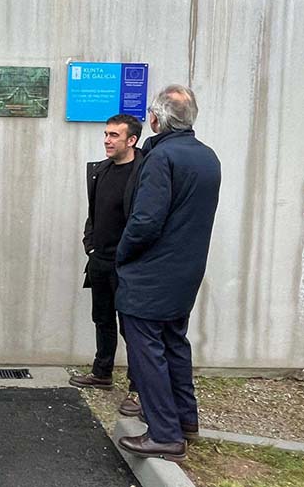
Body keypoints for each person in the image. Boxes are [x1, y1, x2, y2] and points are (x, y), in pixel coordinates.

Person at [116, 85, 221, 462]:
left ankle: (164, 434)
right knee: (175, 343)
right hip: (186, 271)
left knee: (147, 352)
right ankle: (184, 421)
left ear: (157, 120)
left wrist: (123, 257)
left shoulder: (161, 158)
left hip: (151, 274)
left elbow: (145, 222)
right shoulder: (207, 157)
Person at [70, 114, 143, 417]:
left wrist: (131, 257)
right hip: (100, 261)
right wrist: (90, 244)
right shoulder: (100, 171)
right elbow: (94, 214)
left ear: (132, 140)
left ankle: (139, 389)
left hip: (129, 266)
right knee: (102, 319)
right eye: (106, 134)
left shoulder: (145, 172)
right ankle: (102, 372)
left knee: (134, 328)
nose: (107, 140)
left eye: (114, 135)